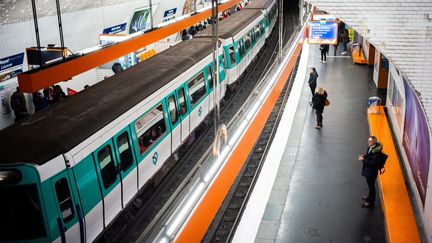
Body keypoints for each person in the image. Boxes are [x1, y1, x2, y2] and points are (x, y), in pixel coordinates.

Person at [358, 136, 382, 208]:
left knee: (371, 187)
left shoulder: (376, 152)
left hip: (371, 173)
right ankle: (369, 197)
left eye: (370, 141)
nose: (368, 142)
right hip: (369, 171)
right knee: (370, 185)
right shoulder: (371, 148)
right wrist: (364, 156)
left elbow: (371, 163)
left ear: (374, 142)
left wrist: (363, 159)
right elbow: (369, 155)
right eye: (368, 141)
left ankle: (371, 203)